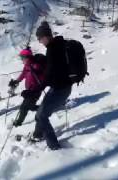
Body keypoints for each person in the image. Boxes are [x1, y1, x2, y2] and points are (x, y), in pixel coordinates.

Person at [31, 21, 73, 150]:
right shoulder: (57, 46)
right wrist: (44, 61)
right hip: (59, 87)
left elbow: (50, 75)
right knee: (39, 113)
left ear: (45, 36)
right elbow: (55, 68)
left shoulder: (53, 49)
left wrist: (34, 90)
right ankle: (37, 135)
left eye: (39, 39)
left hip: (61, 89)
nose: (39, 41)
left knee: (42, 116)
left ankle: (54, 147)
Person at [9, 47, 46, 127]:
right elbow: (23, 74)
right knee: (25, 107)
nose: (22, 60)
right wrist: (16, 81)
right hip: (29, 90)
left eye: (22, 58)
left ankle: (45, 109)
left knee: (26, 107)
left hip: (35, 91)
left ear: (27, 57)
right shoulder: (27, 66)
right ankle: (18, 122)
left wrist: (35, 89)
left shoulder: (36, 66)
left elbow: (42, 79)